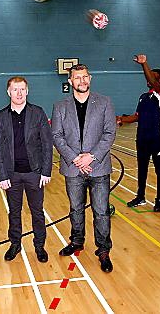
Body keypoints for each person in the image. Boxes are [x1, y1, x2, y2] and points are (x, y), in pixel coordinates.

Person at [51, 64, 116, 273]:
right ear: (70, 81)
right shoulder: (60, 106)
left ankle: (103, 250)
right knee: (76, 209)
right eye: (77, 78)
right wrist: (75, 159)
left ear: (90, 78)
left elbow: (109, 134)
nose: (82, 81)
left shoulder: (104, 102)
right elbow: (57, 136)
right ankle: (77, 241)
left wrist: (92, 157)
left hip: (99, 168)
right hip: (73, 169)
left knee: (101, 212)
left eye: (85, 77)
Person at [0, 76, 53, 263]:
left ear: (27, 91)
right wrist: (1, 175)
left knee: (37, 211)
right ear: (8, 92)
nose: (18, 93)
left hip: (35, 174)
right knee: (14, 211)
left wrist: (46, 171)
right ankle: (15, 244)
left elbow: (47, 143)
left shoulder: (38, 113)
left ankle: (40, 246)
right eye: (15, 89)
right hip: (12, 176)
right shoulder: (0, 117)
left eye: (22, 89)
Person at [126, 54, 160, 212]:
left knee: (159, 170)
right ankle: (140, 196)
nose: (150, 78)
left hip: (157, 138)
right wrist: (120, 119)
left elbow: (152, 80)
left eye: (154, 76)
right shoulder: (143, 97)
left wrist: (144, 64)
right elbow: (136, 117)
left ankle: (159, 199)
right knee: (142, 168)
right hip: (142, 138)